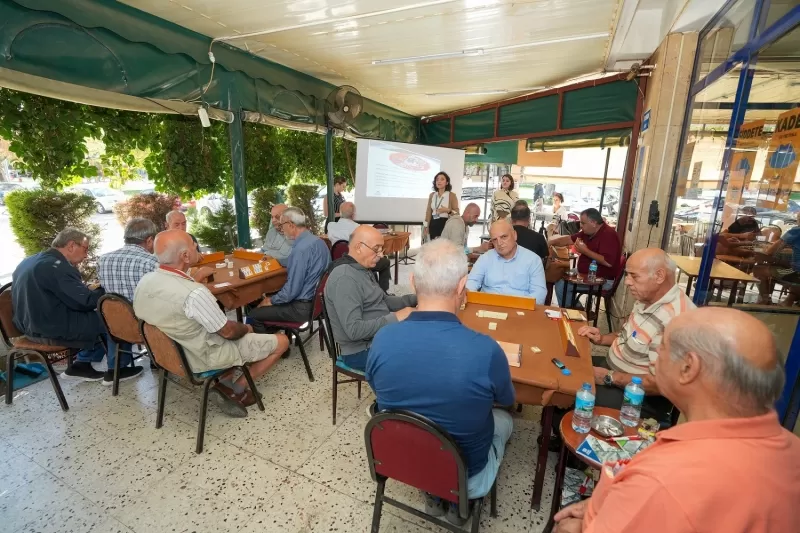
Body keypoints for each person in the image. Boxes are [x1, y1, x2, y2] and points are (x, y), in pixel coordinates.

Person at [554, 307, 799, 533]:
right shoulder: (792, 450)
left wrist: (582, 525)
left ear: (688, 368)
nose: (656, 352)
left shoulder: (662, 479)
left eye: (664, 346)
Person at [366, 239, 515, 523]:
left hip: (403, 460)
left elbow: (378, 389)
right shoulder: (486, 349)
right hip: (464, 471)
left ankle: (432, 494)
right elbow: (506, 400)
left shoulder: (383, 338)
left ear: (412, 281)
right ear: (462, 286)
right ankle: (460, 501)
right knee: (505, 421)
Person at [133, 230, 289, 416]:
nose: (196, 247)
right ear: (185, 255)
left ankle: (225, 382)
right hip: (201, 357)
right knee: (282, 341)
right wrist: (247, 328)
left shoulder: (145, 281)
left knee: (216, 327)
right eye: (193, 245)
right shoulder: (194, 294)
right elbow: (229, 332)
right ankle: (235, 390)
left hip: (169, 356)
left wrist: (196, 280)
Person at [577, 249, 695, 423]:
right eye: (627, 275)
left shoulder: (675, 321)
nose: (627, 282)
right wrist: (601, 339)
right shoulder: (648, 298)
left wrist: (609, 377)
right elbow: (628, 335)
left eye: (634, 276)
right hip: (615, 371)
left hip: (639, 398)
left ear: (659, 276)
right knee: (568, 368)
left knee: (573, 391)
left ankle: (569, 439)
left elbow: (659, 384)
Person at [12, 228, 143, 383]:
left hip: (30, 325)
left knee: (96, 319)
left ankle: (82, 365)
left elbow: (63, 295)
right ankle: (118, 370)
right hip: (48, 329)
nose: (86, 254)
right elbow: (85, 302)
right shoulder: (56, 267)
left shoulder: (32, 260)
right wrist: (107, 287)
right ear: (71, 245)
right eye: (85, 249)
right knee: (115, 319)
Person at [324, 226, 416, 371]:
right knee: (422, 356)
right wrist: (396, 317)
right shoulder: (345, 278)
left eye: (382, 249)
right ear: (359, 247)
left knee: (426, 338)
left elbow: (383, 300)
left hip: (380, 338)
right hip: (361, 351)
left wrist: (416, 299)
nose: (381, 255)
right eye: (376, 249)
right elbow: (354, 330)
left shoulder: (362, 269)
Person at [249, 207, 330, 324]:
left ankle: (277, 341)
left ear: (291, 225)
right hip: (319, 303)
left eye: (282, 225)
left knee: (254, 314)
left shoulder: (300, 250)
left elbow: (290, 293)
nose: (281, 229)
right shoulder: (318, 241)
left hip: (302, 308)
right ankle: (277, 335)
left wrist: (270, 300)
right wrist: (276, 260)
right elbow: (303, 263)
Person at [550, 208, 621, 308]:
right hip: (585, 273)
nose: (580, 226)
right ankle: (577, 310)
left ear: (593, 223)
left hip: (602, 280)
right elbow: (569, 239)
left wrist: (585, 251)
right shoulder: (588, 232)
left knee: (562, 285)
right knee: (559, 276)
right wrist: (550, 242)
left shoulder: (608, 235)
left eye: (583, 223)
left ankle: (574, 315)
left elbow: (608, 262)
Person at [466, 220, 547, 303]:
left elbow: (539, 294)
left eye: (504, 237)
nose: (499, 243)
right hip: (488, 307)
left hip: (520, 309)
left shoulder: (533, 260)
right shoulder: (485, 258)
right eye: (494, 240)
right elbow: (472, 281)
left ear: (514, 235)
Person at [326, 202, 393, 291]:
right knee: (385, 262)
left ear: (340, 213)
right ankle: (382, 292)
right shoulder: (358, 229)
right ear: (353, 215)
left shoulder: (331, 226)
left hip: (338, 262)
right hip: (358, 263)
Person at [754, 211, 800, 305]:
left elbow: (773, 250)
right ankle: (789, 300)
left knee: (758, 270)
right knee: (775, 267)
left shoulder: (796, 231)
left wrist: (767, 256)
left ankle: (765, 299)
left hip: (796, 272)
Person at [423, 171, 459, 241]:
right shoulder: (432, 195)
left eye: (442, 179)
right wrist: (426, 226)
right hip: (433, 224)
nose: (439, 181)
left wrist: (447, 210)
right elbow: (428, 212)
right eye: (437, 179)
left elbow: (457, 213)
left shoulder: (451, 195)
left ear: (447, 182)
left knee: (443, 247)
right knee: (433, 246)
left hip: (445, 224)